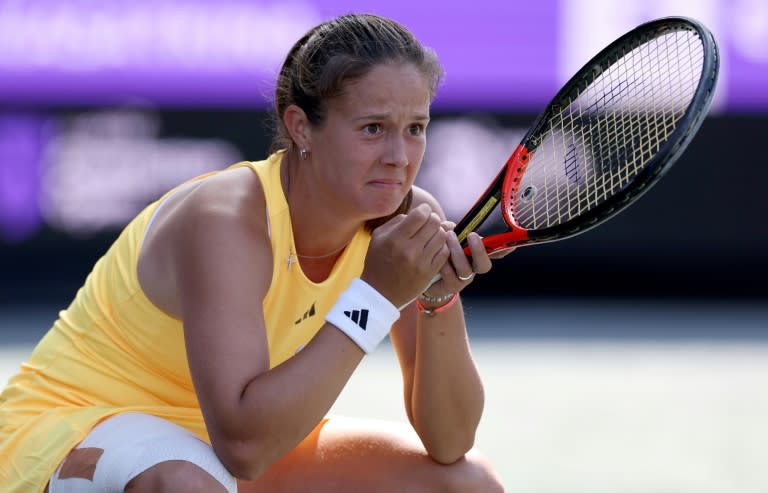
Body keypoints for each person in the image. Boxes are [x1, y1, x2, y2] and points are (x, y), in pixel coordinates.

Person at [0, 13, 507, 493]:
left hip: (224, 447)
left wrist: (435, 300)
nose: (399, 157)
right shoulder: (225, 216)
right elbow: (243, 446)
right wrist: (374, 297)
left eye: (415, 128)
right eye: (373, 129)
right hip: (73, 429)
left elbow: (451, 442)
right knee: (185, 484)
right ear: (301, 126)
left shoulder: (407, 218)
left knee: (467, 484)